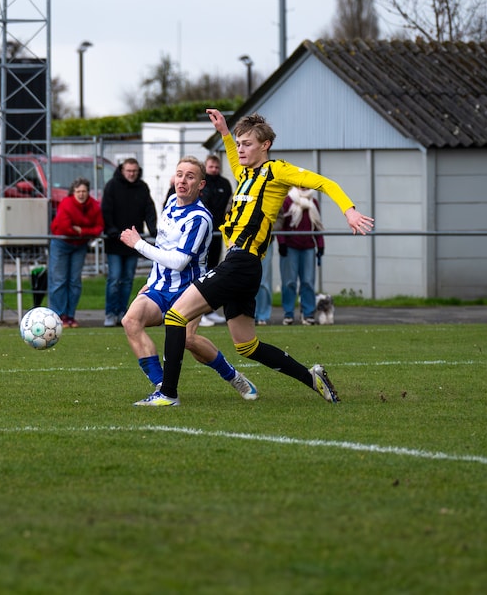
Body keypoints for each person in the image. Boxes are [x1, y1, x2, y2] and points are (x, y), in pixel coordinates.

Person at [134, 109, 374, 407]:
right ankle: (312, 377)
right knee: (247, 345)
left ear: (265, 145)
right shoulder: (245, 174)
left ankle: (167, 393)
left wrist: (349, 210)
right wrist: (224, 132)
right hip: (243, 265)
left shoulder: (277, 171)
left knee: (176, 317)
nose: (241, 149)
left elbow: (325, 183)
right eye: (239, 143)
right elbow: (235, 159)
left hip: (242, 262)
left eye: (247, 143)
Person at [120, 157, 257, 404]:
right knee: (130, 321)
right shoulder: (171, 201)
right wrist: (153, 280)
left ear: (201, 184)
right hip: (160, 288)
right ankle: (163, 388)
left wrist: (138, 243)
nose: (182, 180)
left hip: (189, 290)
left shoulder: (200, 218)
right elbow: (164, 246)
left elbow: (179, 261)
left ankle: (234, 377)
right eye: (180, 174)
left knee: (189, 341)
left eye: (190, 176)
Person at [101, 158, 157, 327]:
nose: (132, 174)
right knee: (115, 278)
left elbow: (149, 210)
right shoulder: (112, 186)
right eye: (128, 171)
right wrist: (111, 231)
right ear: (122, 170)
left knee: (127, 280)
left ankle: (122, 312)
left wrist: (153, 229)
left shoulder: (142, 187)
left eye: (134, 171)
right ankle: (110, 313)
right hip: (115, 242)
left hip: (134, 241)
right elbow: (106, 210)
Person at [47, 177, 103, 328]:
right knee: (59, 280)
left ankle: (70, 316)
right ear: (73, 192)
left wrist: (80, 230)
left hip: (79, 245)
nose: (81, 194)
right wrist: (86, 231)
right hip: (61, 244)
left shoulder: (94, 205)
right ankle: (58, 316)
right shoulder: (66, 203)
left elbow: (98, 228)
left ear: (88, 192)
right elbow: (65, 227)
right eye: (78, 191)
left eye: (84, 191)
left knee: (74, 282)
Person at [197, 154, 234, 327]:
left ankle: (209, 310)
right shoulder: (201, 183)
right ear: (206, 167)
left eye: (216, 167)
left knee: (212, 271)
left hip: (217, 234)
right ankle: (197, 313)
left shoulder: (225, 184)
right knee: (200, 271)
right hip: (201, 234)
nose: (214, 170)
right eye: (211, 167)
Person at [278, 186, 324, 325]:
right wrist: (282, 243)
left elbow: (317, 225)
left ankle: (308, 313)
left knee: (308, 281)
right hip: (290, 247)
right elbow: (281, 224)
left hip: (309, 247)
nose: (303, 187)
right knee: (289, 282)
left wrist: (320, 245)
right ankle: (288, 313)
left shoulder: (313, 202)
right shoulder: (287, 201)